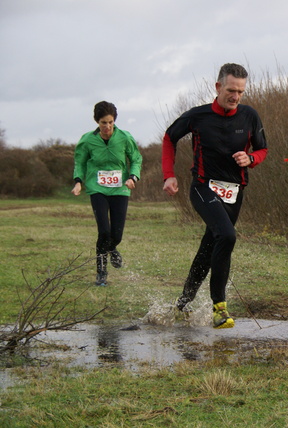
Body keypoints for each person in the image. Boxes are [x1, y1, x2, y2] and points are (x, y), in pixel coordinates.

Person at [162, 63, 268, 329]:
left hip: (234, 193)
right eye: (231, 90)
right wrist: (168, 174)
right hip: (203, 187)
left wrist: (251, 158)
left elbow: (263, 149)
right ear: (218, 87)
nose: (236, 97)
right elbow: (168, 138)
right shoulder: (197, 116)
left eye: (241, 92)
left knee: (208, 250)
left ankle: (182, 305)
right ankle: (219, 308)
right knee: (227, 236)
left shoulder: (249, 116)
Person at [72, 101, 143, 286]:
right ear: (97, 121)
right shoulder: (87, 140)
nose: (107, 126)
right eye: (103, 122)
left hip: (120, 188)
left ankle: (112, 249)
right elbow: (80, 162)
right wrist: (78, 182)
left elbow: (136, 159)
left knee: (116, 234)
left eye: (110, 122)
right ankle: (101, 272)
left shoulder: (125, 137)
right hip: (97, 188)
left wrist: (133, 177)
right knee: (103, 231)